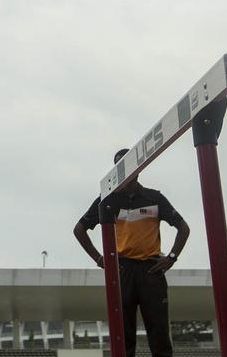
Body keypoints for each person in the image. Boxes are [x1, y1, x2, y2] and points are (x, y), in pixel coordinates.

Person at [73, 150, 190, 357]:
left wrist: (171, 258)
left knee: (159, 332)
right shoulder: (107, 200)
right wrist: (101, 260)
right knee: (123, 333)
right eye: (121, 168)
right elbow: (79, 229)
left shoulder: (154, 197)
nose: (127, 173)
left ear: (139, 169)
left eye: (131, 167)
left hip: (151, 270)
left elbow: (183, 227)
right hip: (122, 270)